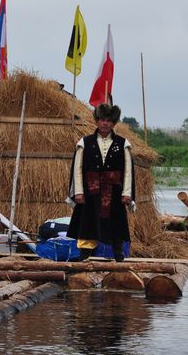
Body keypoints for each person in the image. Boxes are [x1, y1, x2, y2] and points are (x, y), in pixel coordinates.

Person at [66, 103, 135, 262]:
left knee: (116, 221)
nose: (105, 123)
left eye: (109, 121)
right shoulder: (85, 142)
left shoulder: (122, 143)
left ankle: (118, 253)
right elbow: (78, 168)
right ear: (97, 121)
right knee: (88, 221)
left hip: (115, 191)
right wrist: (78, 191)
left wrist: (126, 193)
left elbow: (127, 171)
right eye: (102, 120)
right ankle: (84, 254)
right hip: (91, 190)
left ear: (114, 123)